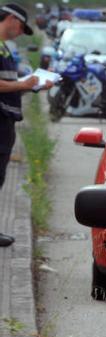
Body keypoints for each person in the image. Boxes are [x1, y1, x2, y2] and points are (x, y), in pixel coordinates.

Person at [0, 4, 49, 247]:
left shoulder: (5, 49)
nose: (20, 32)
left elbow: (9, 81)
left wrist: (34, 84)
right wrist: (24, 85)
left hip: (6, 121)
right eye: (20, 26)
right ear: (10, 19)